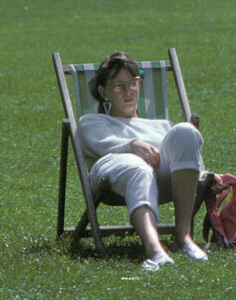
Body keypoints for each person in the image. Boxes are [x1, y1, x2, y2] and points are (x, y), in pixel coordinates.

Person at [78, 51, 218, 271]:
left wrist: (205, 175)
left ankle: (183, 237)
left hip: (162, 177)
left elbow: (180, 156)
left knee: (185, 130)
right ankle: (153, 249)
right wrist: (134, 145)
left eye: (133, 83)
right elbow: (101, 143)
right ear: (103, 92)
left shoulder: (162, 125)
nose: (128, 91)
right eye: (118, 86)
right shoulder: (93, 121)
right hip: (114, 170)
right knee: (138, 167)